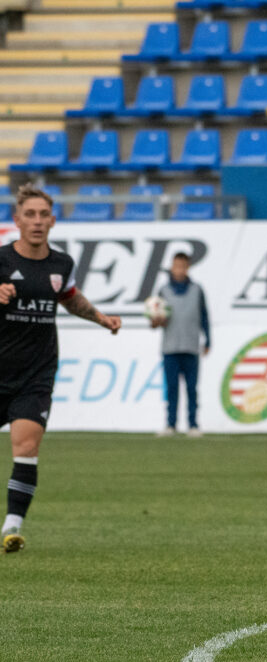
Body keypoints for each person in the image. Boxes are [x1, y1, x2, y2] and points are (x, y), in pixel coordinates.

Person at [1, 185, 121, 553]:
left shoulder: (61, 264)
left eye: (43, 215)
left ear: (53, 221)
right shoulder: (1, 259)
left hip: (35, 375)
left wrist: (100, 318)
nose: (37, 221)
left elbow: (69, 298)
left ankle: (11, 527)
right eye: (30, 214)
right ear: (18, 220)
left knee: (26, 445)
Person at [151, 252, 210, 437]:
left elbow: (204, 316)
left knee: (192, 388)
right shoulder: (163, 291)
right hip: (170, 347)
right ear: (172, 267)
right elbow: (155, 320)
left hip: (191, 346)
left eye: (183, 266)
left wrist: (208, 339)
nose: (179, 270)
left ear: (188, 267)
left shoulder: (197, 290)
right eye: (176, 266)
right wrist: (157, 320)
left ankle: (193, 424)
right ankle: (171, 424)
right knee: (172, 388)